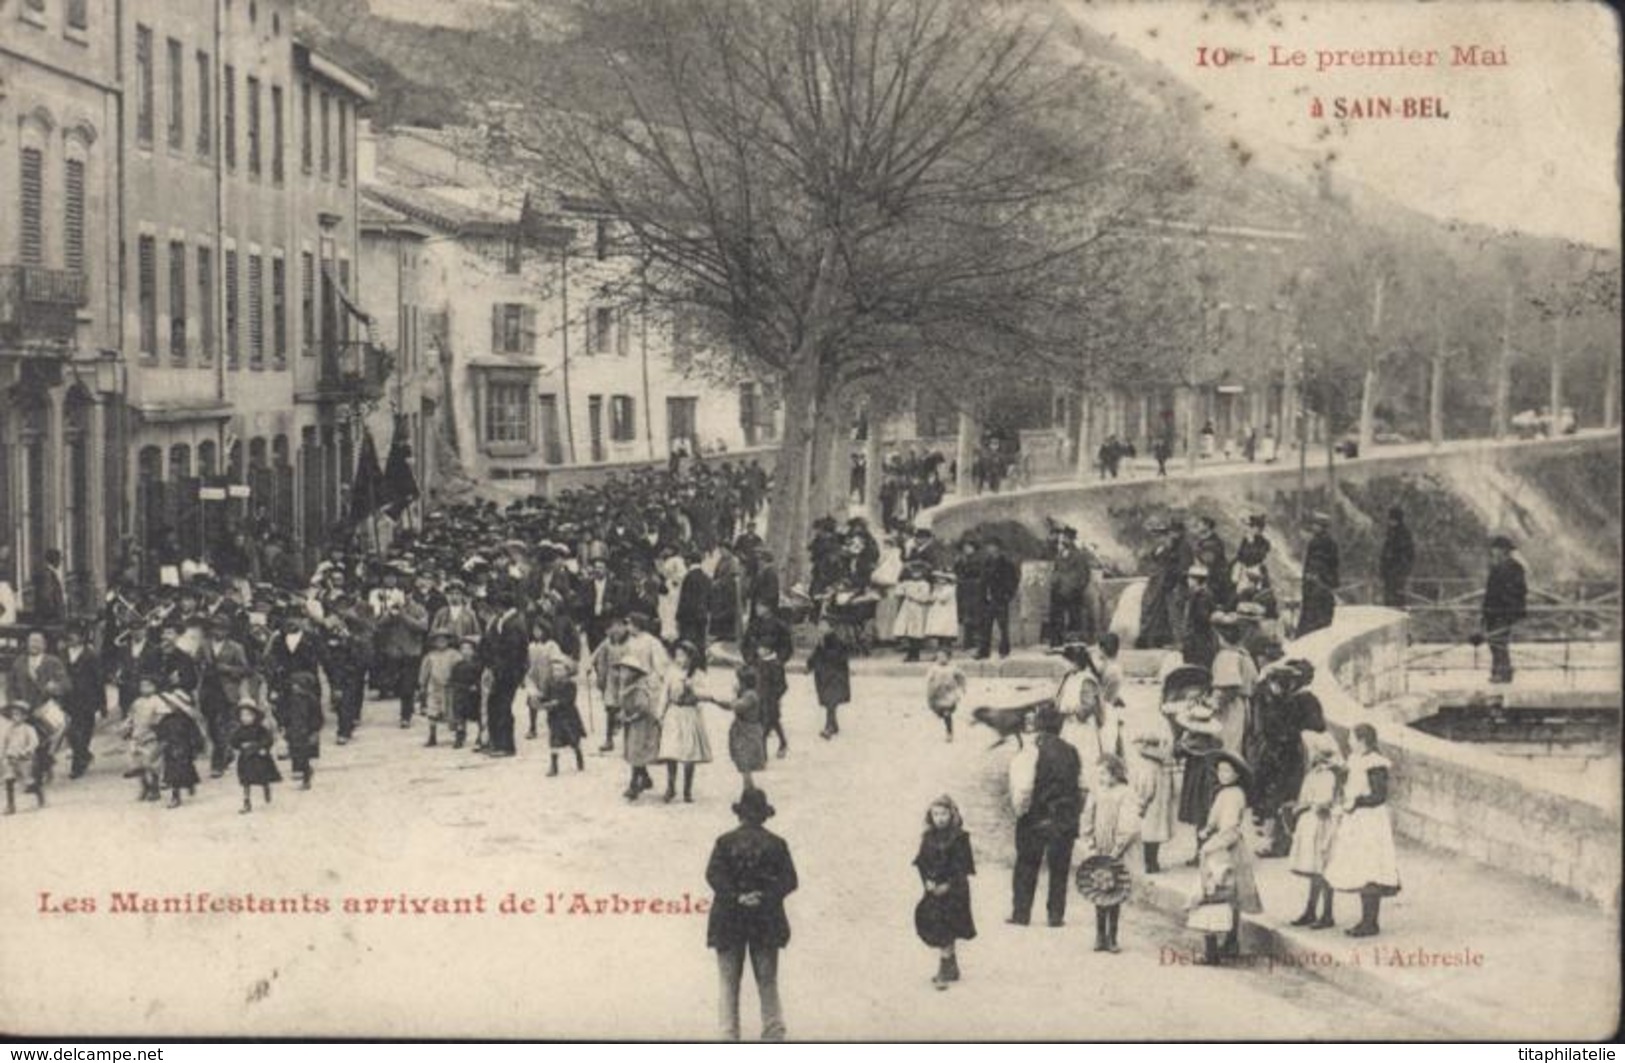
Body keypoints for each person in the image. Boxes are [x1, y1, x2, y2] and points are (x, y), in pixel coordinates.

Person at [706, 786, 798, 1042]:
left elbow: (713, 876)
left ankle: (728, 1037)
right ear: (764, 815)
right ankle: (773, 1035)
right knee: (767, 981)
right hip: (765, 920)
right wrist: (764, 897)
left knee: (728, 984)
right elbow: (790, 880)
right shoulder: (777, 844)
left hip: (728, 919)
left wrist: (737, 897)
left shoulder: (724, 842)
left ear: (740, 815)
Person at [1007, 704, 1082, 928]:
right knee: (1060, 868)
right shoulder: (1072, 751)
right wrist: (1074, 812)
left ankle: (1021, 914)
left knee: (1027, 864)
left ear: (1039, 725)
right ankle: (1055, 915)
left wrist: (1021, 813)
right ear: (1059, 726)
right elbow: (1083, 787)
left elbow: (1023, 788)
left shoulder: (1032, 751)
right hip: (1065, 817)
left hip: (1035, 815)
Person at [1324, 724, 1401, 937]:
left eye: (1352, 738)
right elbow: (1352, 782)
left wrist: (1355, 802)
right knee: (1360, 868)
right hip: (1358, 820)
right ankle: (1366, 920)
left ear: (1363, 740)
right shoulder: (1356, 760)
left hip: (1370, 822)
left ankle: (1370, 922)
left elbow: (1378, 796)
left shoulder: (1375, 763)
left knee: (1371, 869)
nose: (1349, 742)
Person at [1193, 750, 1262, 964]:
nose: (1222, 774)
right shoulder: (1225, 793)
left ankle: (1213, 951)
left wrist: (1210, 845)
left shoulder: (1234, 795)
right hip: (1223, 844)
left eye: (1227, 770)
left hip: (1226, 848)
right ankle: (1231, 943)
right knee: (1230, 897)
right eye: (1220, 770)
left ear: (1237, 774)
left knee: (1216, 893)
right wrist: (1207, 829)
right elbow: (1215, 819)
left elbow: (1230, 827)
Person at [1077, 754, 1140, 953]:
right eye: (1099, 774)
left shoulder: (1127, 793)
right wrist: (1089, 841)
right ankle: (1099, 935)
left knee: (1115, 890)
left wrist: (1117, 848)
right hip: (1100, 847)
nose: (1101, 778)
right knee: (1098, 888)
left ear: (1115, 773)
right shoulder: (1096, 791)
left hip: (1117, 850)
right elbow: (1088, 816)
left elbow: (1128, 825)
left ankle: (1113, 936)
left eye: (1104, 773)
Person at [913, 794, 976, 989]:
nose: (940, 818)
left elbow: (963, 867)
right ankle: (952, 966)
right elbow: (921, 862)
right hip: (933, 889)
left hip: (954, 890)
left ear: (952, 814)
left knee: (947, 926)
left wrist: (948, 885)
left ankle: (944, 970)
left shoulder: (960, 838)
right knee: (933, 922)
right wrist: (927, 882)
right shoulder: (928, 838)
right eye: (935, 814)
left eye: (943, 813)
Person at [1288, 731, 1343, 929]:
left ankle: (1327, 913)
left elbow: (1328, 802)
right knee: (1314, 869)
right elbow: (1306, 797)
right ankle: (1311, 910)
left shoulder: (1331, 775)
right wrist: (1299, 807)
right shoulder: (1314, 774)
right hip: (1311, 822)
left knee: (1324, 868)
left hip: (1324, 824)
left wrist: (1312, 806)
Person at [657, 641, 712, 802]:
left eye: (683, 655)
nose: (679, 659)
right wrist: (660, 714)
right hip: (674, 713)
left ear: (691, 657)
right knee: (671, 751)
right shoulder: (671, 673)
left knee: (689, 754)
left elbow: (706, 694)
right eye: (677, 655)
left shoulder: (699, 675)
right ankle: (670, 787)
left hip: (690, 714)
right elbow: (664, 694)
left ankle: (687, 790)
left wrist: (693, 688)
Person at [1481, 535, 1527, 684]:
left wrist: (1509, 606)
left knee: (1499, 641)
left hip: (1503, 611)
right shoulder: (1496, 567)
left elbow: (1519, 590)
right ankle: (1499, 671)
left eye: (1497, 549)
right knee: (1494, 642)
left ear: (1504, 551)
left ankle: (1503, 673)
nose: (1494, 552)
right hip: (1493, 611)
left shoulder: (1515, 568)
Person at [59, 626, 103, 779]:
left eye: (75, 634)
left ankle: (77, 765)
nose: (72, 637)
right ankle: (84, 755)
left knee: (84, 732)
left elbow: (98, 679)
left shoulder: (90, 655)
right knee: (71, 732)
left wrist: (102, 703)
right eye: (70, 634)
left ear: (82, 637)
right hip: (69, 698)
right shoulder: (63, 654)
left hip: (87, 699)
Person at [230, 702, 281, 814]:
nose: (245, 718)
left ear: (254, 716)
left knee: (262, 776)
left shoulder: (260, 729)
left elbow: (268, 739)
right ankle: (247, 801)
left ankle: (266, 787)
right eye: (243, 715)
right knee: (245, 781)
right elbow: (233, 741)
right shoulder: (239, 730)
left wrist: (262, 747)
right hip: (246, 759)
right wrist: (239, 745)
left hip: (258, 758)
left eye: (248, 715)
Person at [1296, 512, 1340, 638]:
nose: (1314, 527)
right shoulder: (1321, 542)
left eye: (1316, 525)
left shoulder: (1324, 543)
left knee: (1313, 616)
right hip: (1317, 583)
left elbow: (1330, 564)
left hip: (1318, 583)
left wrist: (1317, 577)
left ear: (1322, 527)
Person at [416, 630, 460, 748]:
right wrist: (422, 685)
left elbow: (461, 668)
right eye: (438, 640)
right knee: (432, 710)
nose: (441, 642)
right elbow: (424, 671)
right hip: (434, 686)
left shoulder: (454, 654)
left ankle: (458, 736)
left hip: (450, 686)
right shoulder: (430, 656)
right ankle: (432, 736)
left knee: (453, 711)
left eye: (444, 640)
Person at [806, 626, 851, 740]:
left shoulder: (838, 642)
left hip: (835, 677)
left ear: (831, 628)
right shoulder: (822, 642)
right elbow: (815, 655)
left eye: (824, 626)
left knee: (831, 701)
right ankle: (834, 725)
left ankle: (829, 726)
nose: (821, 629)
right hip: (823, 676)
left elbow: (839, 657)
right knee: (829, 702)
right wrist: (809, 666)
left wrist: (823, 650)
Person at [978, 540, 1018, 660]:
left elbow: (1013, 581)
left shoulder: (1006, 563)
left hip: (1000, 599)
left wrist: (1007, 595)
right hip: (987, 598)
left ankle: (1004, 650)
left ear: (998, 549)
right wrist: (982, 595)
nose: (989, 550)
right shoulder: (986, 563)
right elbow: (982, 580)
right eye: (988, 548)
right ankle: (984, 651)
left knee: (1003, 626)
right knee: (985, 626)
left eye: (992, 547)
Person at [2, 701, 43, 814]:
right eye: (13, 715)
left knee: (28, 782)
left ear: (25, 716)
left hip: (24, 759)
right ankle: (11, 805)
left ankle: (39, 794)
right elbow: (5, 743)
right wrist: (4, 755)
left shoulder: (28, 729)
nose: (15, 717)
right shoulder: (9, 730)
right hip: (11, 758)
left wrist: (27, 750)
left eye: (18, 714)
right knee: (9, 779)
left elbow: (34, 742)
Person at [544, 676, 588, 777]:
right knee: (554, 740)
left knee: (573, 740)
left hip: (569, 716)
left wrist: (558, 702)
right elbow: (546, 697)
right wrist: (540, 700)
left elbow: (570, 699)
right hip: (554, 717)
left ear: (567, 671)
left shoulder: (571, 685)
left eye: (560, 670)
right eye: (555, 670)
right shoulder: (550, 683)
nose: (557, 672)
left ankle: (578, 755)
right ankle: (554, 766)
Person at [448, 638, 484, 751]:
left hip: (474, 695)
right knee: (460, 716)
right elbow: (452, 679)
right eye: (463, 649)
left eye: (468, 649)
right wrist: (453, 686)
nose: (465, 651)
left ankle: (480, 736)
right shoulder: (457, 665)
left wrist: (477, 686)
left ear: (474, 651)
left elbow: (482, 679)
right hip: (461, 694)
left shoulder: (478, 665)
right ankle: (460, 736)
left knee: (478, 716)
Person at [924, 649, 965, 743]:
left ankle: (949, 732)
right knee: (937, 709)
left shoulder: (953, 668)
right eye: (939, 657)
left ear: (949, 658)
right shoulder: (933, 668)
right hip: (937, 694)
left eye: (944, 657)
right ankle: (940, 713)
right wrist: (930, 690)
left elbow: (961, 677)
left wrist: (962, 687)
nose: (941, 659)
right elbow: (928, 680)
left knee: (947, 713)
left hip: (949, 694)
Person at [1378, 507, 1416, 609]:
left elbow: (1406, 552)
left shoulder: (1402, 534)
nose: (1390, 522)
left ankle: (1397, 608)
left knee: (1397, 591)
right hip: (1391, 568)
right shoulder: (1391, 533)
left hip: (1397, 568)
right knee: (1391, 591)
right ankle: (1391, 608)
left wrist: (1401, 565)